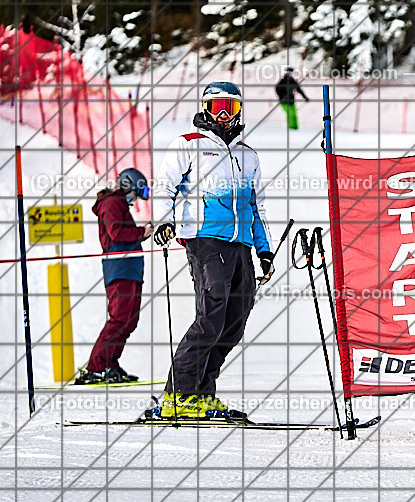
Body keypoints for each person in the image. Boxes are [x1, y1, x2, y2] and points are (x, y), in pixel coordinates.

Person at [152, 81, 275, 419]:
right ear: (205, 108)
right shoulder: (188, 144)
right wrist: (164, 221)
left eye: (231, 107)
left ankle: (203, 393)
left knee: (233, 322)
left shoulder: (247, 154)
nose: (223, 114)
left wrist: (264, 249)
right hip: (205, 239)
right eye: (217, 106)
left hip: (241, 245)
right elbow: (165, 186)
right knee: (211, 315)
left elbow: (256, 205)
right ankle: (178, 395)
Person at [76, 168, 154, 385]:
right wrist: (141, 232)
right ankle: (96, 367)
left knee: (129, 321)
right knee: (119, 319)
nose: (136, 199)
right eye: (137, 193)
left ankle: (109, 363)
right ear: (128, 185)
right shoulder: (112, 203)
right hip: (120, 269)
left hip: (130, 269)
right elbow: (116, 233)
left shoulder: (119, 204)